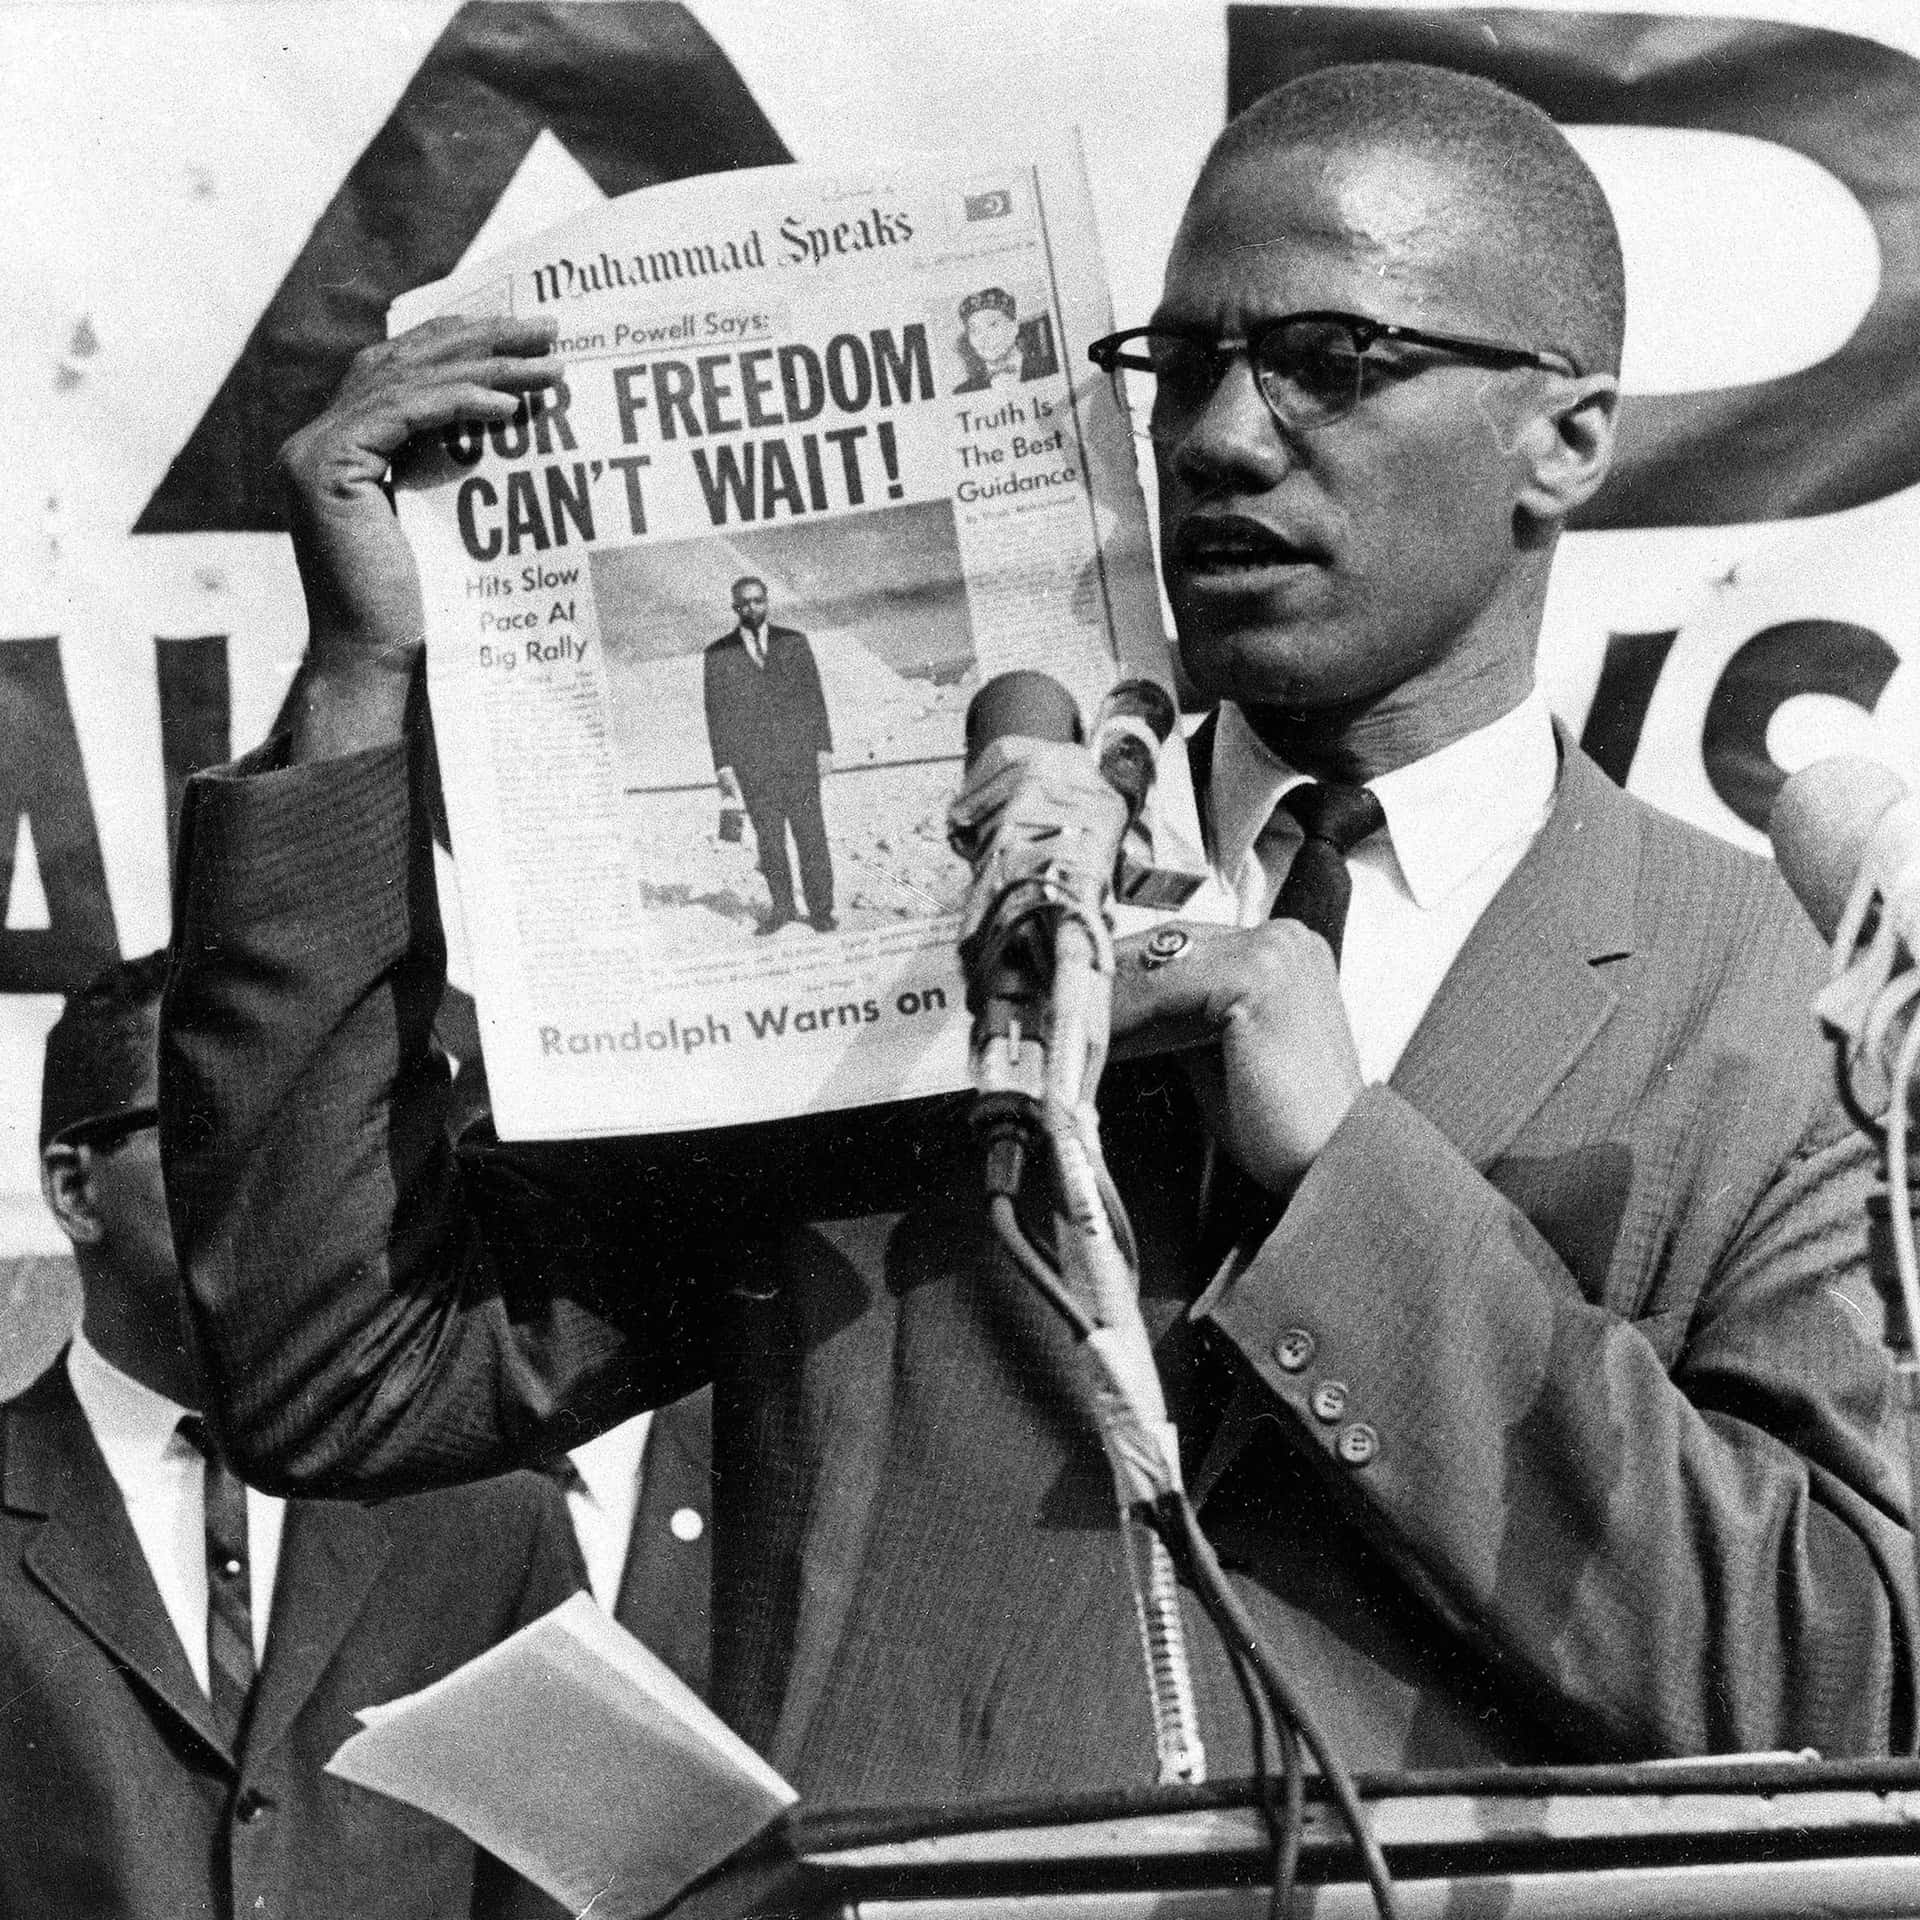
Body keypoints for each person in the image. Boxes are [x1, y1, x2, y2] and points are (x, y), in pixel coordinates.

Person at [161, 61, 1915, 1804]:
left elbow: (1840, 1673)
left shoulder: (1776, 1007)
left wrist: (1356, 1191)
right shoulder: (910, 911)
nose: (1225, 437)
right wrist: (359, 677)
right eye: (1187, 365)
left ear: (1570, 437)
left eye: (1332, 362)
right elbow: (349, 1368)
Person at [3, 953, 581, 1919]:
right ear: (74, 1188)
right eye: (220, 1132)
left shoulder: (489, 1521)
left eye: (315, 1141)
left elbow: (554, 1892)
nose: (286, 1189)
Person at [703, 575, 836, 934]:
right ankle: (782, 909)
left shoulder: (794, 642)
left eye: (757, 600)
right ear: (735, 608)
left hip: (799, 760)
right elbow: (716, 714)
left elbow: (814, 699)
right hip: (754, 766)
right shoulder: (718, 655)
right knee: (771, 841)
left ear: (767, 601)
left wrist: (823, 747)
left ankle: (821, 911)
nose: (751, 608)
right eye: (743, 603)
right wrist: (724, 767)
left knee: (811, 836)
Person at [952, 286, 1059, 391]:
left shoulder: (1049, 368)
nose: (983, 338)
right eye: (974, 330)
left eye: (993, 325)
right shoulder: (964, 390)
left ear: (1013, 327)